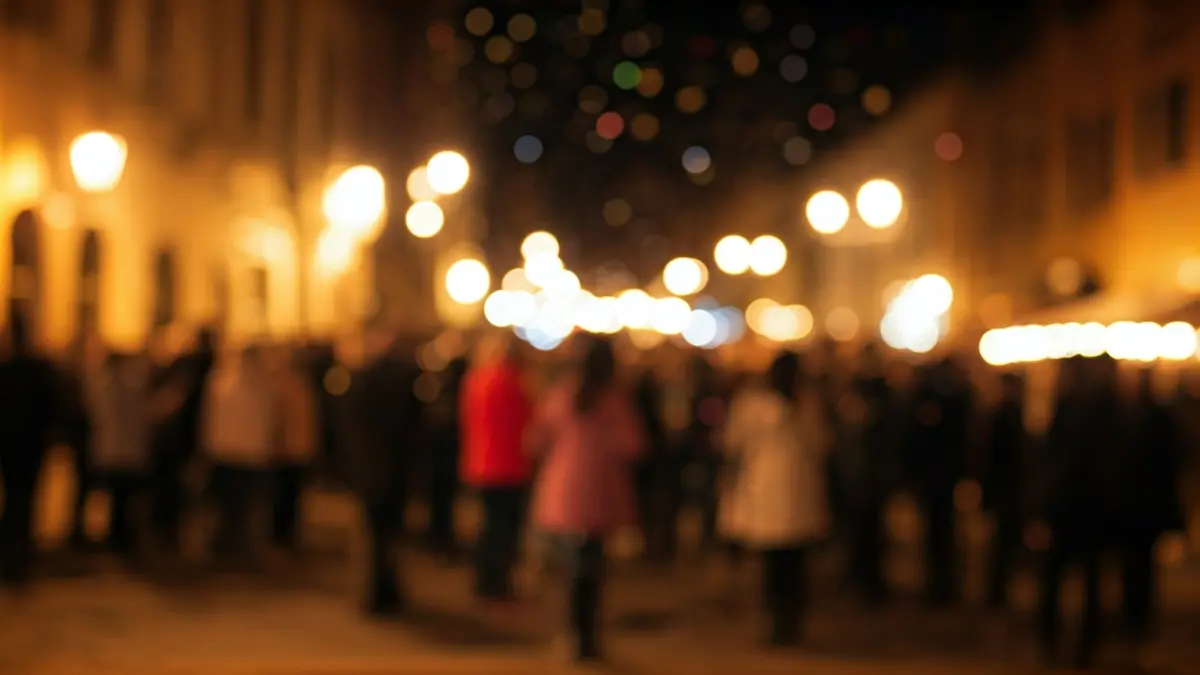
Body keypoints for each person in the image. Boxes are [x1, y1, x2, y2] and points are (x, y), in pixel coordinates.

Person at [528, 335, 644, 662]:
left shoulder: (562, 393)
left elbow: (536, 438)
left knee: (571, 569)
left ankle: (573, 633)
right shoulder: (614, 399)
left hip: (563, 488)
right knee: (591, 569)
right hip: (599, 491)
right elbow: (633, 445)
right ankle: (587, 636)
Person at [720, 351, 830, 647]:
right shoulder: (753, 405)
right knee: (774, 566)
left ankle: (790, 622)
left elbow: (821, 444)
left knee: (794, 565)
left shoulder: (807, 404)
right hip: (767, 494)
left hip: (796, 494)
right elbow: (734, 445)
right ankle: (777, 622)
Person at [1038, 355, 1124, 669]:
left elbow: (1061, 462)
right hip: (1086, 508)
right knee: (1081, 578)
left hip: (1077, 508)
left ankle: (1061, 639)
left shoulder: (1084, 408)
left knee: (1066, 577)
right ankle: (1075, 641)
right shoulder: (1105, 408)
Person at [337, 331, 412, 616]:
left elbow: (347, 433)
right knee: (389, 534)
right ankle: (386, 590)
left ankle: (375, 593)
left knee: (372, 535)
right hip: (392, 471)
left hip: (368, 471)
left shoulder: (357, 387)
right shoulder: (400, 388)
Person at [460, 334, 533, 604]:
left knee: (488, 525)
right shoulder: (514, 382)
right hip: (509, 466)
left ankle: (485, 579)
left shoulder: (476, 380)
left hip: (480, 463)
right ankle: (497, 582)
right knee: (503, 528)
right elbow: (528, 420)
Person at [1118, 368, 1183, 656]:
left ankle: (1136, 615)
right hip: (1140, 504)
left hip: (1140, 504)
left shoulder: (1145, 417)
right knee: (1137, 563)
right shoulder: (1143, 416)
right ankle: (1135, 615)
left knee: (1138, 563)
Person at [201, 345, 275, 562]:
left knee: (236, 506)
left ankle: (233, 544)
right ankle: (229, 544)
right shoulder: (226, 382)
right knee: (233, 506)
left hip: (232, 454)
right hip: (236, 455)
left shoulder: (222, 381)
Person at [0, 313, 58, 586]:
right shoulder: (36, 369)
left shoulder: (13, 369)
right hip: (28, 446)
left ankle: (14, 552)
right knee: (23, 500)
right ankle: (18, 552)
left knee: (16, 498)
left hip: (17, 445)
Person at [86, 351, 154, 558]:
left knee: (116, 498)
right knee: (121, 499)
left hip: (114, 451)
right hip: (124, 452)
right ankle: (120, 538)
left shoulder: (104, 386)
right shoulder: (131, 386)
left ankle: (116, 537)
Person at [983, 372, 1027, 608]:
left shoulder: (1007, 414)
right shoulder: (1005, 416)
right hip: (1006, 490)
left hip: (1007, 490)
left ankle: (998, 589)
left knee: (1004, 543)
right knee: (1002, 544)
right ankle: (997, 590)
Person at [270, 346, 320, 552]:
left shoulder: (298, 385)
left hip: (296, 450)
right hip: (288, 451)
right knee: (284, 497)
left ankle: (285, 535)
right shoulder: (291, 385)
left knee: (291, 497)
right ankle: (281, 536)